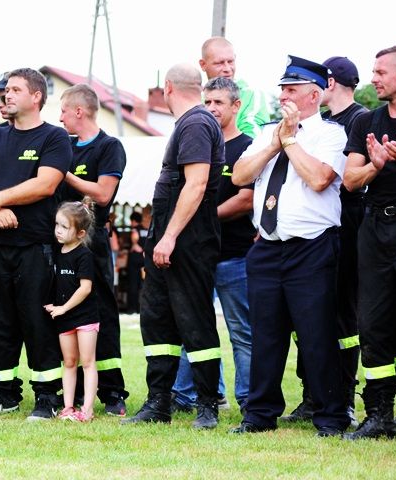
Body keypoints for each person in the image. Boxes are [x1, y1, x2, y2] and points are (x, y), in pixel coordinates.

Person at [230, 55, 350, 437]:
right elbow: (239, 176)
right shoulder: (266, 132)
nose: (284, 94)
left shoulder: (331, 134)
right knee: (266, 335)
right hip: (268, 246)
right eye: (282, 88)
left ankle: (331, 416)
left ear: (314, 95)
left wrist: (292, 140)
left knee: (316, 335)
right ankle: (260, 415)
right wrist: (274, 144)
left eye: (292, 89)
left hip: (311, 248)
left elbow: (319, 179)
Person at [121, 63, 224, 429]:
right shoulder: (189, 124)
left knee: (195, 322)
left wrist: (169, 236)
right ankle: (158, 403)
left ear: (167, 88)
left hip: (188, 242)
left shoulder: (196, 123)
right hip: (169, 240)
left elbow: (196, 185)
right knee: (157, 321)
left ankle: (207, 407)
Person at [0, 67, 72, 421]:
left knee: (36, 320)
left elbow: (44, 184)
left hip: (34, 246)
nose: (6, 96)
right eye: (5, 91)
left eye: (14, 90)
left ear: (36, 96)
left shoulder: (54, 138)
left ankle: (47, 395)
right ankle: (3, 393)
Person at [342, 45, 396, 440]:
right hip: (374, 228)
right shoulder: (367, 122)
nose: (373, 78)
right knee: (372, 323)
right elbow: (349, 180)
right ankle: (378, 416)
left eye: (380, 72)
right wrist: (375, 166)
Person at [282, 56, 367, 427]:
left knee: (343, 318)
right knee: (311, 318)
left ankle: (343, 396)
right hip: (317, 230)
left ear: (326, 84)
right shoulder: (318, 124)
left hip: (348, 224)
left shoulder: (358, 119)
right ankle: (312, 395)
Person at [171, 76, 254, 414]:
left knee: (241, 332)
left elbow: (246, 200)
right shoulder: (198, 143)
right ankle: (186, 395)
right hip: (198, 256)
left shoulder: (248, 147)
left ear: (236, 106)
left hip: (235, 255)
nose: (211, 109)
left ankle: (249, 400)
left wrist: (201, 217)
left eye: (219, 102)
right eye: (207, 102)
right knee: (192, 329)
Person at [58, 83, 129, 416]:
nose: (59, 118)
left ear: (79, 111)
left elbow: (102, 194)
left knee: (100, 313)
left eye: (62, 111)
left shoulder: (109, 146)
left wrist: (66, 175)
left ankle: (113, 392)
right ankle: (66, 392)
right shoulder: (63, 144)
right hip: (59, 246)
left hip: (92, 245)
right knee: (62, 311)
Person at [45, 200, 99, 422]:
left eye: (65, 227)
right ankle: (68, 406)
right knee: (68, 362)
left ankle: (87, 409)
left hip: (84, 317)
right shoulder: (58, 252)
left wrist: (63, 308)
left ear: (80, 233)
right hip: (63, 318)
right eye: (57, 224)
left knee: (87, 362)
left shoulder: (84, 255)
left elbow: (85, 288)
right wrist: (53, 305)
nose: (58, 230)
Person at [199, 37, 270, 138]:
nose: (227, 69)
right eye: (219, 63)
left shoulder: (252, 94)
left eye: (231, 61)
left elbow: (253, 139)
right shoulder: (196, 97)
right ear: (203, 64)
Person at [125, 211, 146, 314]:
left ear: (133, 221)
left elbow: (135, 242)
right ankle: (140, 308)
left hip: (134, 258)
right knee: (142, 284)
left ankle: (131, 308)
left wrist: (134, 245)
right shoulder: (145, 230)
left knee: (132, 283)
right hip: (144, 259)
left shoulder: (134, 230)